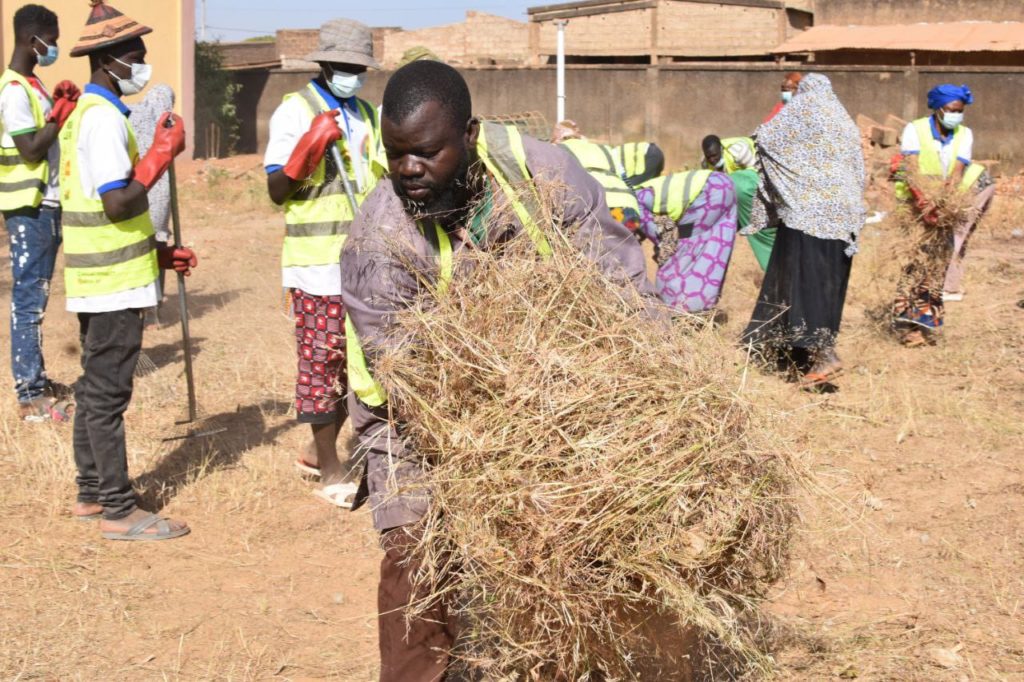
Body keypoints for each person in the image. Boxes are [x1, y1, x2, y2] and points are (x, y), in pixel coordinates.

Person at [340, 60, 655, 682]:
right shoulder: (380, 238)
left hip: (551, 392)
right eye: (396, 154)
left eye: (427, 152)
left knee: (569, 547)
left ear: (469, 134)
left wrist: (642, 386)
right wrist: (501, 438)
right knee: (416, 554)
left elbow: (618, 279)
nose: (409, 170)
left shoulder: (544, 177)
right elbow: (406, 369)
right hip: (410, 417)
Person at [61, 0, 197, 539]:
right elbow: (118, 202)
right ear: (109, 59)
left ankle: (92, 493)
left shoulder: (93, 115)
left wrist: (157, 253)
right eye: (136, 57)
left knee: (94, 389)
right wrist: (161, 154)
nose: (142, 65)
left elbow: (104, 211)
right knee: (108, 396)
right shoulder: (100, 121)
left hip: (103, 276)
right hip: (113, 285)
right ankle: (120, 511)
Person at [263, 19, 384, 507]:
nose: (353, 75)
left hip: (364, 261)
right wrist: (309, 146)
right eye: (345, 66)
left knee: (362, 362)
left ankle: (316, 452)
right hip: (316, 264)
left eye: (360, 67)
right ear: (326, 64)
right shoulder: (295, 110)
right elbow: (277, 189)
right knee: (322, 364)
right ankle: (330, 470)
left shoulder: (367, 114)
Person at [741, 73, 864, 389]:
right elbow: (857, 170)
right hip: (843, 217)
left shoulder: (803, 110)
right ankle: (799, 354)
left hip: (808, 216)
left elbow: (765, 137)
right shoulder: (844, 122)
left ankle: (824, 356)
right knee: (827, 285)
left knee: (806, 285)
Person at [0, 4, 78, 422]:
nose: (55, 47)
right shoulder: (14, 90)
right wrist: (58, 117)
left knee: (37, 297)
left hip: (45, 203)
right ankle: (30, 396)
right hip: (29, 208)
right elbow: (30, 148)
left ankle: (37, 380)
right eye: (52, 40)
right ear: (34, 41)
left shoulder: (33, 84)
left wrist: (59, 105)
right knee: (29, 302)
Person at [894, 84, 993, 307]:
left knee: (951, 238)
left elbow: (957, 173)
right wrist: (923, 199)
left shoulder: (965, 134)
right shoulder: (915, 129)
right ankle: (921, 289)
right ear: (938, 108)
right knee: (920, 243)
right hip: (922, 193)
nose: (955, 115)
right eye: (951, 110)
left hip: (966, 190)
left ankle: (945, 290)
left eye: (960, 111)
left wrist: (942, 202)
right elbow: (911, 168)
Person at [634, 169, 738, 313]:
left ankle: (677, 310)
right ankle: (701, 305)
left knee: (677, 262)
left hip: (708, 192)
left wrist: (661, 250)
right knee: (710, 247)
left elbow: (666, 239)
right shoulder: (638, 193)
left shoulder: (631, 205)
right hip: (723, 183)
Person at [129, 83, 175, 324]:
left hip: (137, 188)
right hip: (156, 189)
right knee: (158, 245)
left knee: (142, 248)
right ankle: (153, 308)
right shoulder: (166, 122)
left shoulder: (131, 112)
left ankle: (143, 307)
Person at [552, 119, 642, 232]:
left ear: (557, 138)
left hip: (594, 208)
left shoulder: (559, 149)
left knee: (590, 242)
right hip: (627, 207)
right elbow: (626, 181)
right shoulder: (606, 149)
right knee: (623, 242)